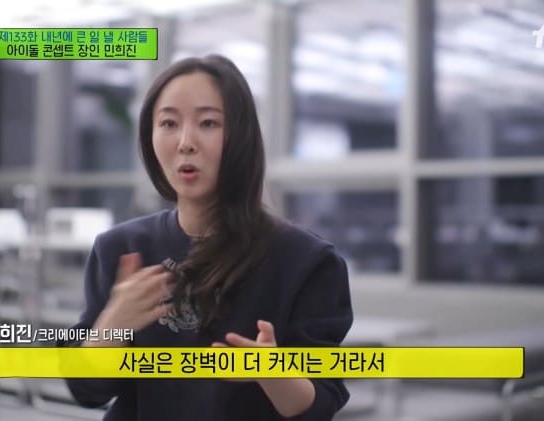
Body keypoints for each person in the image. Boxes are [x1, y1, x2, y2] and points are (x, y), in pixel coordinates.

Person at [62, 54, 353, 421]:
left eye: (208, 123)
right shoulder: (120, 249)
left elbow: (320, 403)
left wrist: (272, 373)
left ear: (241, 137)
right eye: (168, 123)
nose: (186, 142)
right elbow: (88, 390)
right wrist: (111, 328)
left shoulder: (306, 261)